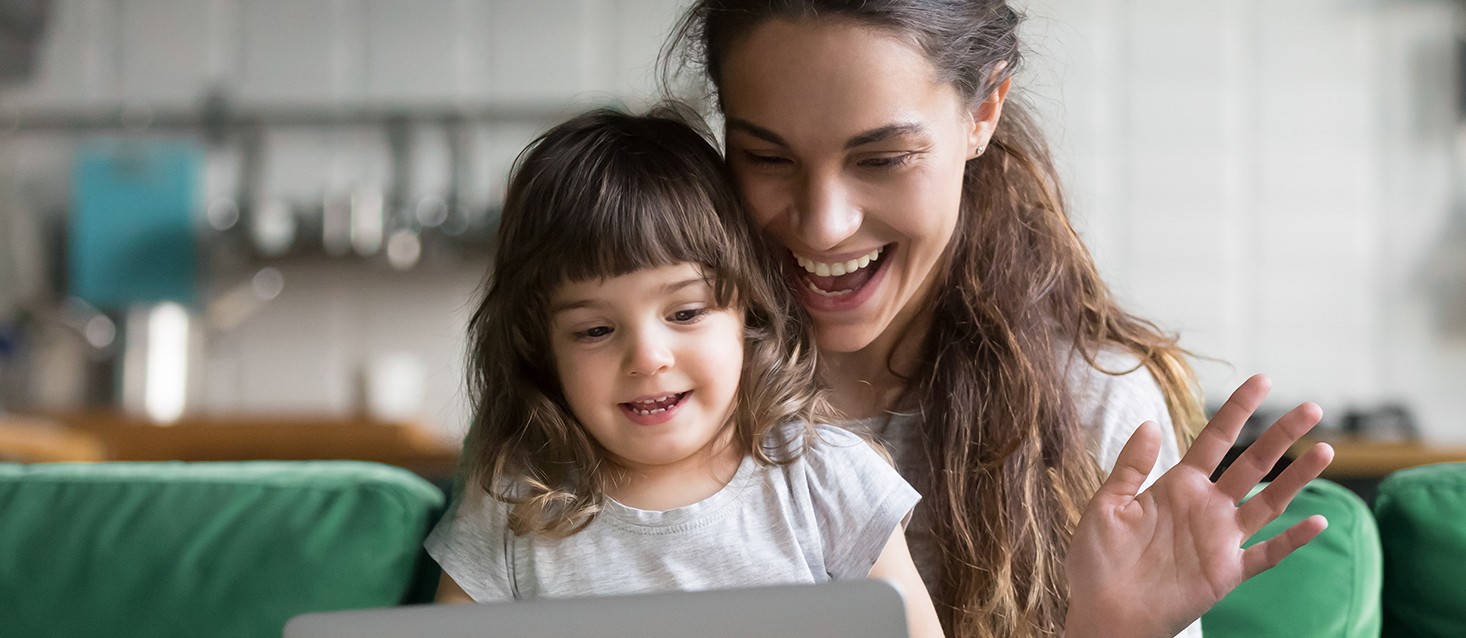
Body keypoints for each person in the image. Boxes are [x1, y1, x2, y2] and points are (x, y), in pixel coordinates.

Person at [660, 2, 1334, 637]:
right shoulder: (646, 388)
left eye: (883, 159)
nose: (823, 224)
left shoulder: (1091, 405)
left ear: (982, 112)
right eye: (767, 158)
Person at [426, 106, 945, 638]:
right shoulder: (516, 503)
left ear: (747, 310)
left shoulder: (824, 479)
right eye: (594, 331)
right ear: (542, 348)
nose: (649, 358)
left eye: (686, 313)